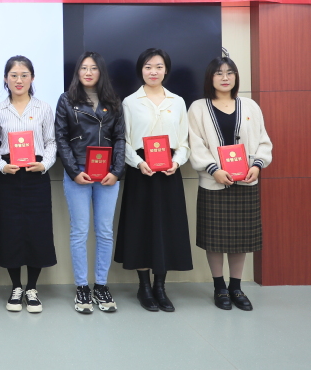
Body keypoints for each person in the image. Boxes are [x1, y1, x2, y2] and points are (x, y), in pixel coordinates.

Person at [188, 56, 272, 311]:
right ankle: (219, 287)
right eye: (219, 73)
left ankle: (236, 287)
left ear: (236, 76)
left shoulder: (250, 106)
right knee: (215, 239)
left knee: (241, 239)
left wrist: (257, 165)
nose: (225, 78)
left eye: (230, 72)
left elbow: (263, 141)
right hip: (214, 182)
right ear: (210, 78)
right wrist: (213, 170)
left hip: (245, 182)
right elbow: (195, 144)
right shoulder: (198, 108)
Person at [114, 48, 193, 312]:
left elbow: (184, 141)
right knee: (141, 228)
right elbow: (124, 141)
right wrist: (138, 163)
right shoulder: (129, 102)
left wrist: (177, 162)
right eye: (148, 67)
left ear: (166, 70)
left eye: (158, 67)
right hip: (141, 171)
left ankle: (161, 286)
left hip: (169, 171)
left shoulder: (177, 101)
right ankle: (144, 287)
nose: (153, 72)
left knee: (166, 228)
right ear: (141, 70)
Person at [55, 52, 125, 314]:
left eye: (93, 68)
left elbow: (120, 138)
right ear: (77, 72)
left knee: (105, 231)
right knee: (80, 231)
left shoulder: (113, 100)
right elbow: (61, 138)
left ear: (100, 72)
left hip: (107, 175)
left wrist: (117, 171)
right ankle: (82, 287)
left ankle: (101, 286)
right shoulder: (67, 99)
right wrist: (74, 171)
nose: (88, 72)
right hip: (79, 173)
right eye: (83, 68)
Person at [0, 56, 57, 314]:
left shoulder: (43, 108)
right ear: (5, 79)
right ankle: (16, 287)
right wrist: (1, 165)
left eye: (24, 75)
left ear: (32, 78)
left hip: (36, 175)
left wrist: (45, 164)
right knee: (11, 231)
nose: (19, 80)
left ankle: (32, 288)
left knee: (37, 231)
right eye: (14, 75)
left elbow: (51, 142)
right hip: (8, 175)